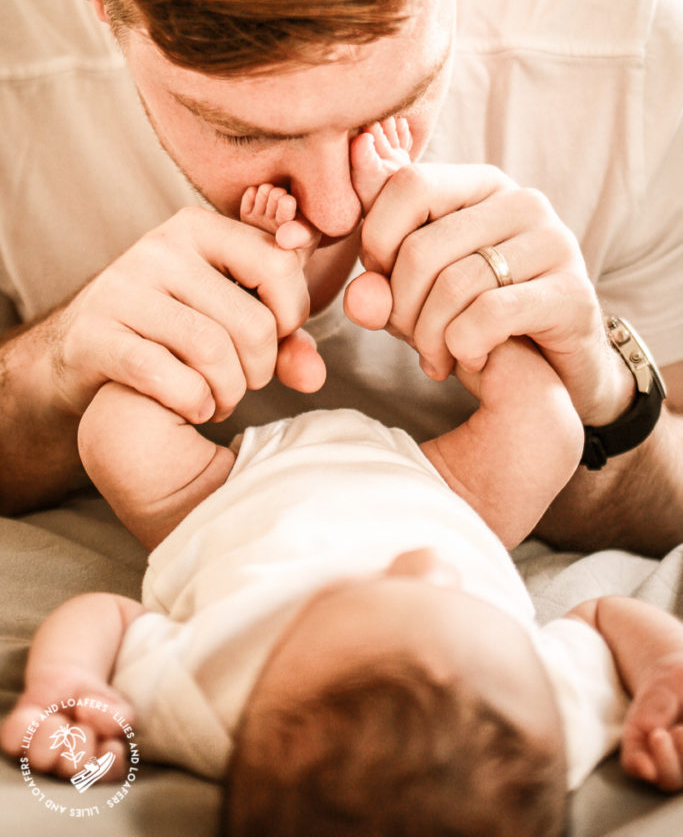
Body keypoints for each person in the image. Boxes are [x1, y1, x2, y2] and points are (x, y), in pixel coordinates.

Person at [0, 0, 681, 555]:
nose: (335, 208)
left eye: (397, 106)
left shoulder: (641, 66)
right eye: (242, 133)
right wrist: (50, 370)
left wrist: (605, 398)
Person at [1, 188, 683, 836]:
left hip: (216, 499)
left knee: (114, 430)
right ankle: (447, 294)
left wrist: (66, 682)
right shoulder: (544, 720)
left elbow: (109, 618)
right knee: (549, 425)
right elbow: (602, 618)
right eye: (457, 595)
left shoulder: (205, 706)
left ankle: (243, 294)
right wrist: (662, 674)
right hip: (447, 495)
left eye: (369, 588)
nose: (421, 565)